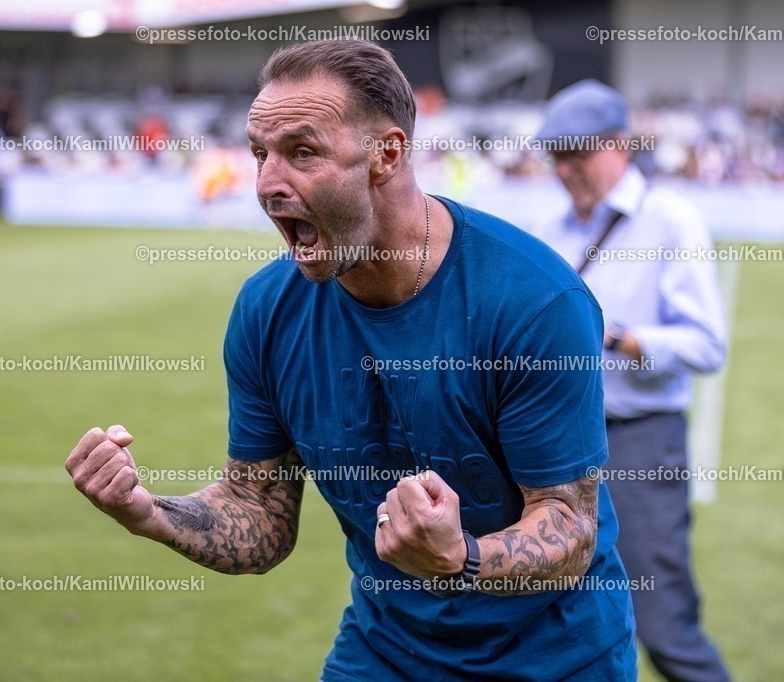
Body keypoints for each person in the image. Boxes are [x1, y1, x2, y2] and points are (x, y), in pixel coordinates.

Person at [65, 41, 635, 680]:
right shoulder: (267, 311)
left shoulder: (533, 302)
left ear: (386, 155)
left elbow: (568, 526)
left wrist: (462, 556)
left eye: (302, 153)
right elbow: (259, 514)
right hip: (385, 653)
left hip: (557, 660)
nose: (267, 184)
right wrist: (152, 514)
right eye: (260, 154)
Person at [531, 79, 731, 682]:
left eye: (578, 153)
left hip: (640, 439)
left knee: (663, 625)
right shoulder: (550, 228)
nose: (565, 169)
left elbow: (707, 344)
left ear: (619, 144)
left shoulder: (670, 220)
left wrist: (617, 337)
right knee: (553, 621)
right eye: (556, 155)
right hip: (557, 442)